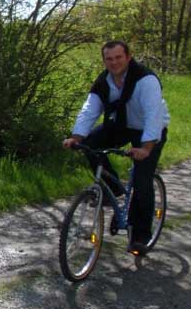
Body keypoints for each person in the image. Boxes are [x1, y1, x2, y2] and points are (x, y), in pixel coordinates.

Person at [63, 40, 170, 255]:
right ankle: (112, 190)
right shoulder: (104, 81)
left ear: (128, 57)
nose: (114, 62)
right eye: (109, 59)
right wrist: (76, 137)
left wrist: (146, 148)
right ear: (104, 61)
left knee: (142, 180)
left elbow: (153, 116)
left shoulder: (145, 80)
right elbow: (89, 110)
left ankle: (140, 236)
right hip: (120, 125)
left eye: (118, 57)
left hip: (148, 131)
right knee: (90, 144)